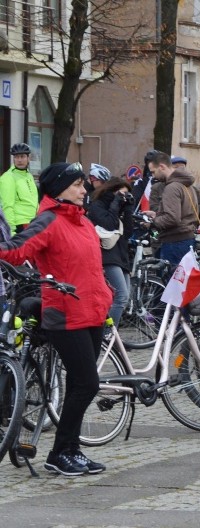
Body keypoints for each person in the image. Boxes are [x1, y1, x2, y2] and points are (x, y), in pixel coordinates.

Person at [0, 162, 113, 476]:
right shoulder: (48, 220)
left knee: (81, 384)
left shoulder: (83, 221)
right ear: (59, 188)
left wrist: (106, 292)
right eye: (77, 185)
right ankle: (61, 451)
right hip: (65, 315)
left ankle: (70, 451)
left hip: (92, 311)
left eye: (82, 185)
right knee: (88, 384)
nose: (83, 190)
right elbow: (15, 250)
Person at [86, 177, 135, 326]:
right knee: (121, 296)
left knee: (123, 298)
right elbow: (108, 224)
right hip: (107, 254)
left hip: (120, 255)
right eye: (122, 193)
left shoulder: (120, 206)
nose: (124, 197)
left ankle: (108, 332)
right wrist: (115, 203)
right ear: (113, 191)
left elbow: (127, 232)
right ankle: (108, 335)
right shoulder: (97, 205)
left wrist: (127, 210)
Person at [140, 151, 200, 264]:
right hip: (186, 238)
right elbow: (181, 214)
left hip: (175, 242)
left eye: (153, 172)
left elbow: (172, 218)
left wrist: (153, 222)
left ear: (162, 167)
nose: (153, 176)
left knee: (171, 279)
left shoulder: (171, 187)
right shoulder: (186, 185)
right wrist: (156, 215)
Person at [0, 143, 39, 232]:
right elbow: (7, 206)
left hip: (33, 223)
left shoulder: (29, 176)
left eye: (22, 156)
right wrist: (11, 230)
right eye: (16, 157)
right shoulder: (8, 177)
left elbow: (34, 201)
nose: (19, 160)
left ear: (28, 158)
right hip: (19, 225)